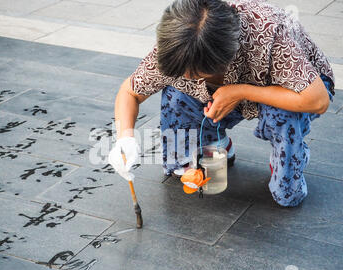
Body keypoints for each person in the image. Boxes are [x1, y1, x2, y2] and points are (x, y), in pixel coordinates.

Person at [108, 0, 335, 207]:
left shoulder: (268, 33)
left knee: (287, 190)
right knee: (177, 96)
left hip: (292, 89)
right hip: (228, 88)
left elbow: (317, 100)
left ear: (224, 61)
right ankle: (217, 142)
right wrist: (124, 138)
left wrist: (242, 91)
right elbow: (130, 91)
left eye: (195, 75)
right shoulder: (178, 44)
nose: (188, 78)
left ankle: (290, 159)